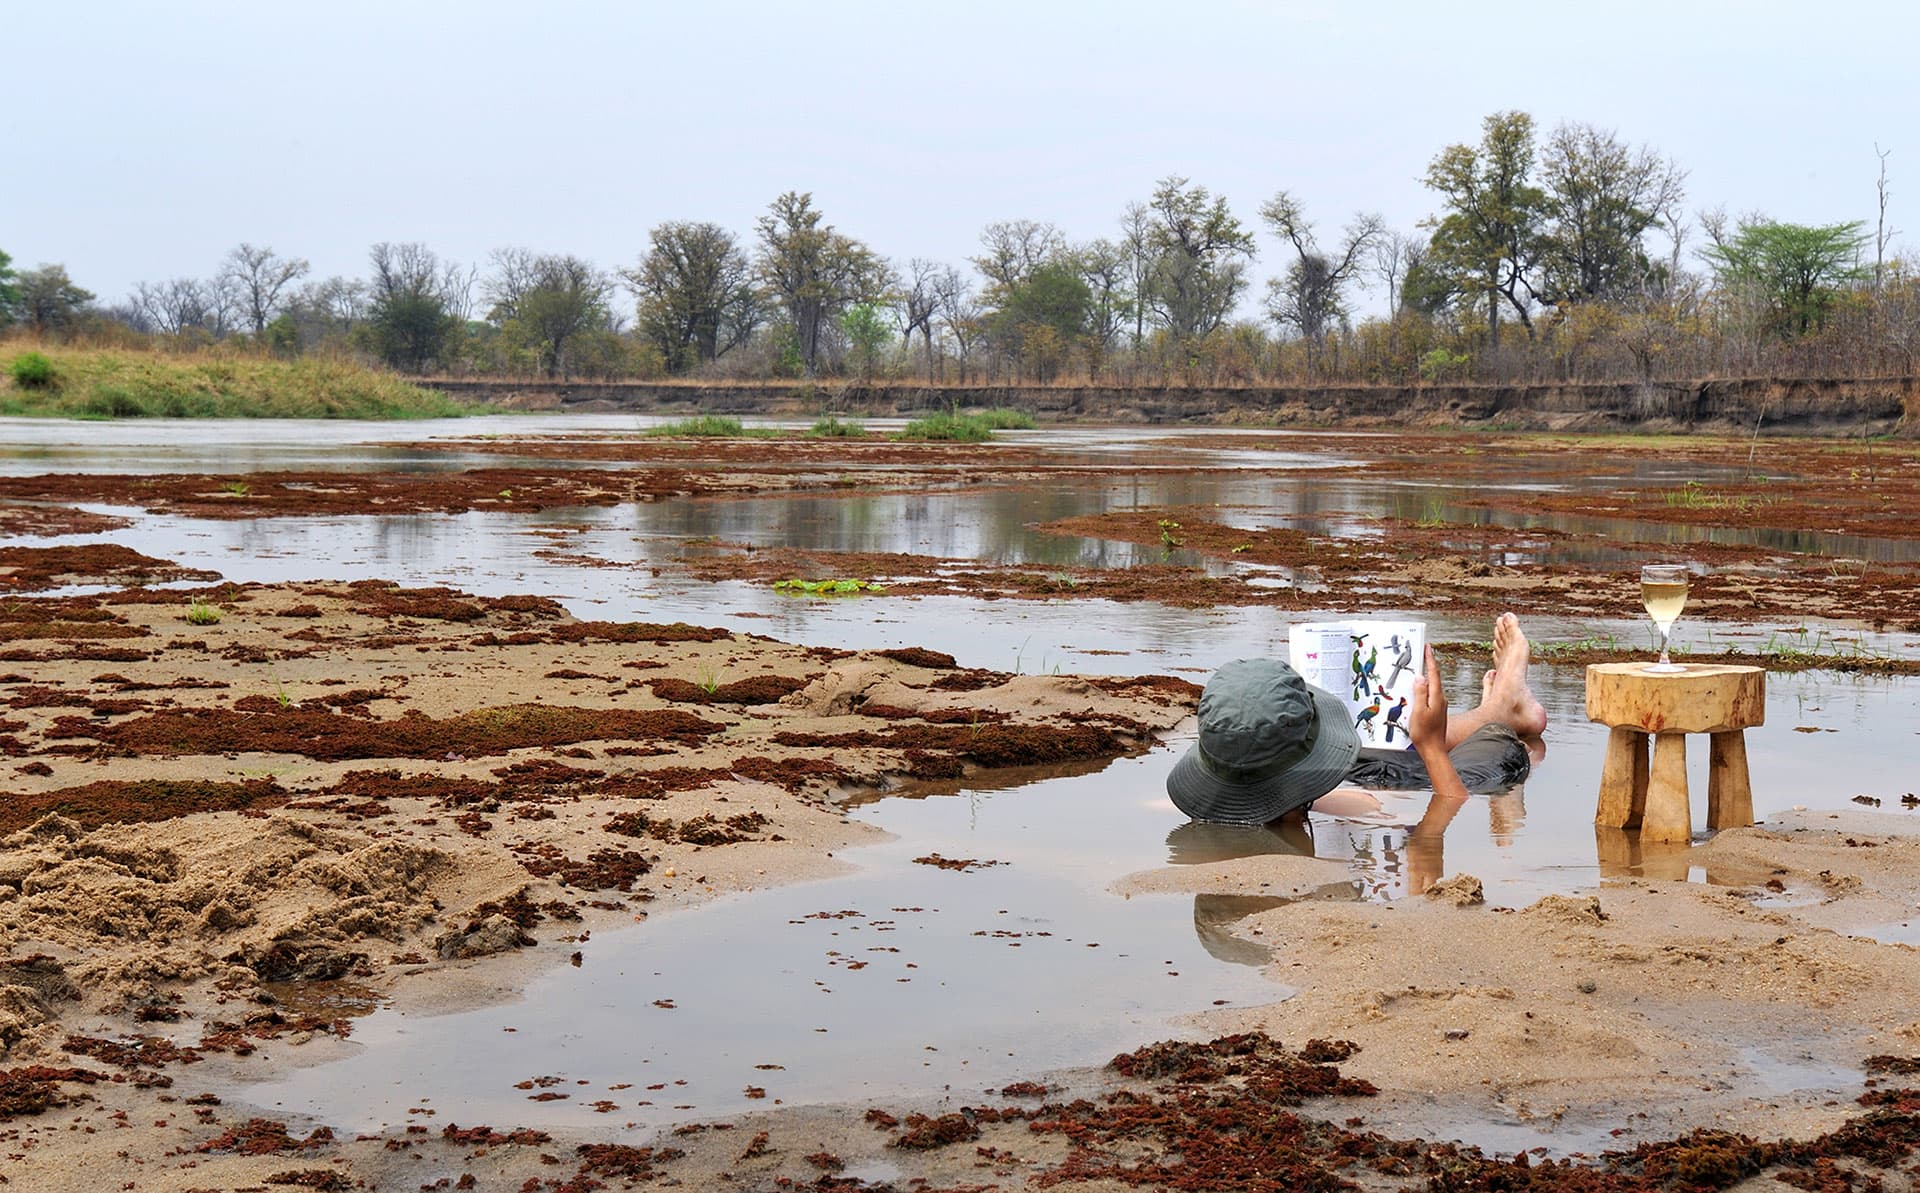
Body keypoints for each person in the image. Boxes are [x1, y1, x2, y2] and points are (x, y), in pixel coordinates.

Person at [1166, 613, 1547, 827]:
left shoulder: (1210, 808)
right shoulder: (1310, 813)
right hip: (1424, 779)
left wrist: (1311, 800)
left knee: (1379, 752)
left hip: (1350, 780)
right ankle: (1502, 716)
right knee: (1494, 753)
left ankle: (1500, 708)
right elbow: (1449, 806)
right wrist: (1432, 748)